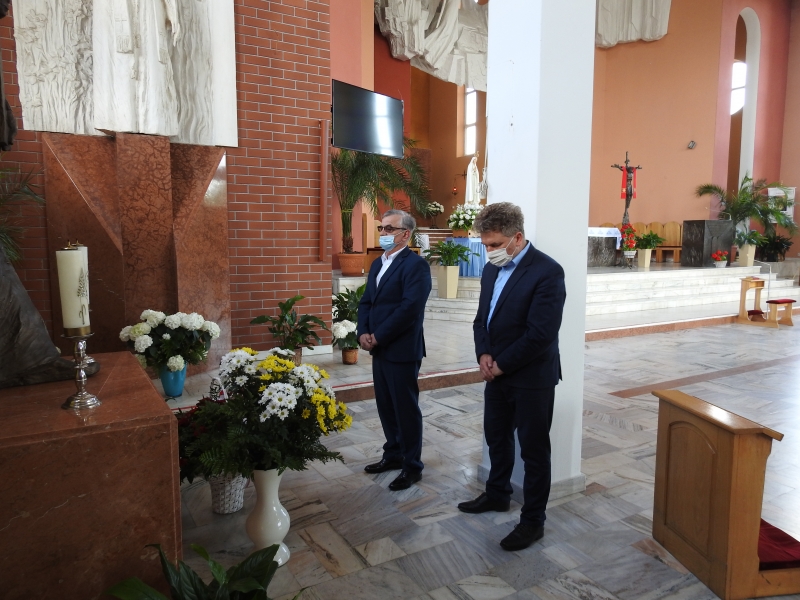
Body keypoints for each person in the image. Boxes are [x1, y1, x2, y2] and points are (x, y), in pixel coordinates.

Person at [458, 202, 566, 551]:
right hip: (496, 373)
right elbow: (482, 320)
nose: (489, 251)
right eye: (485, 245)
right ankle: (497, 494)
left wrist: (501, 364)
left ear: (517, 238)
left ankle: (533, 521)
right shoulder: (491, 270)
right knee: (497, 438)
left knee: (534, 452)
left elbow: (541, 334)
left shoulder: (547, 272)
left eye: (494, 244)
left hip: (531, 377)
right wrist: (484, 354)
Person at [357, 209, 432, 491]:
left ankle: (412, 466)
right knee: (386, 406)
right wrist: (363, 332)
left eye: (390, 229)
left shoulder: (416, 266)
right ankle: (393, 454)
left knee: (405, 409)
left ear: (405, 234)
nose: (384, 233)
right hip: (379, 347)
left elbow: (409, 310)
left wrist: (379, 336)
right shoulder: (378, 263)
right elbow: (367, 301)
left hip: (401, 349)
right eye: (382, 228)